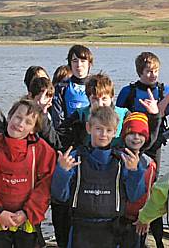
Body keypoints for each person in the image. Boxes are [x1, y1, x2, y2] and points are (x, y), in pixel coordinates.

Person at [50, 106, 146, 248]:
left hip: (112, 229)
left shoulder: (124, 161)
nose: (103, 134)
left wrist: (134, 172)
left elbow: (134, 196)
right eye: (98, 129)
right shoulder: (74, 158)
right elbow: (60, 195)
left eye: (108, 130)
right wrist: (63, 171)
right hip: (80, 228)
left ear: (115, 132)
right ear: (89, 128)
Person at [0, 99, 56, 248]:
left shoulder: (43, 151)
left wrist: (26, 213)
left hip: (27, 220)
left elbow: (45, 187)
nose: (20, 123)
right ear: (9, 117)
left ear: (33, 130)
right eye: (18, 117)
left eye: (28, 122)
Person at [117, 112, 160, 248]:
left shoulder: (150, 163)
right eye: (131, 133)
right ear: (124, 135)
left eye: (141, 134)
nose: (136, 138)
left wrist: (146, 217)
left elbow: (149, 194)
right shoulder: (115, 158)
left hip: (139, 220)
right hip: (117, 219)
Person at [57, 73, 131, 149]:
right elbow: (59, 136)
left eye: (104, 99)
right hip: (88, 157)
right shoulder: (80, 114)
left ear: (112, 97)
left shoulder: (124, 114)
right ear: (88, 98)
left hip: (117, 157)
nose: (100, 104)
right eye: (95, 99)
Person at [51, 45, 94, 129]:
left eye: (83, 61)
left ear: (89, 64)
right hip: (68, 133)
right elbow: (57, 118)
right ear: (70, 64)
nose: (79, 65)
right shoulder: (61, 87)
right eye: (75, 61)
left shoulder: (96, 86)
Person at [27, 76, 62, 150]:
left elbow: (54, 142)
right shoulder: (22, 114)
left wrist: (43, 113)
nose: (46, 105)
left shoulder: (48, 114)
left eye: (48, 101)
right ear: (30, 96)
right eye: (41, 100)